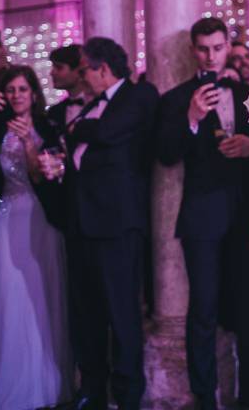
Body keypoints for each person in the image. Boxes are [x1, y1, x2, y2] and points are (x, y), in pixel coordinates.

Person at [155, 18, 249, 410]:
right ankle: (205, 397)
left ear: (226, 47)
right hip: (202, 216)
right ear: (193, 50)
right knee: (202, 309)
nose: (211, 55)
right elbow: (165, 154)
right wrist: (190, 117)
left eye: (217, 48)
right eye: (203, 49)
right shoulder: (175, 98)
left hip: (245, 217)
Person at [45, 36, 159, 410]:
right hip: (79, 225)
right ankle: (91, 389)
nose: (82, 78)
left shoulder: (138, 96)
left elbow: (109, 132)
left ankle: (127, 396)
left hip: (117, 227)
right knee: (86, 313)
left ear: (103, 70)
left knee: (121, 313)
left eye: (84, 70)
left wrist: (80, 130)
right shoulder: (87, 106)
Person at [0, 65, 72, 409]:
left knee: (41, 297)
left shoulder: (47, 125)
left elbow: (41, 176)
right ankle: (10, 382)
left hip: (39, 217)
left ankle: (45, 382)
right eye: (10, 90)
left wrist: (27, 141)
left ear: (33, 93)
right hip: (6, 216)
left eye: (22, 89)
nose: (16, 96)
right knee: (8, 294)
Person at [47, 44, 92, 137]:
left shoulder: (99, 104)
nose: (51, 73)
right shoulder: (54, 112)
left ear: (78, 71)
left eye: (59, 67)